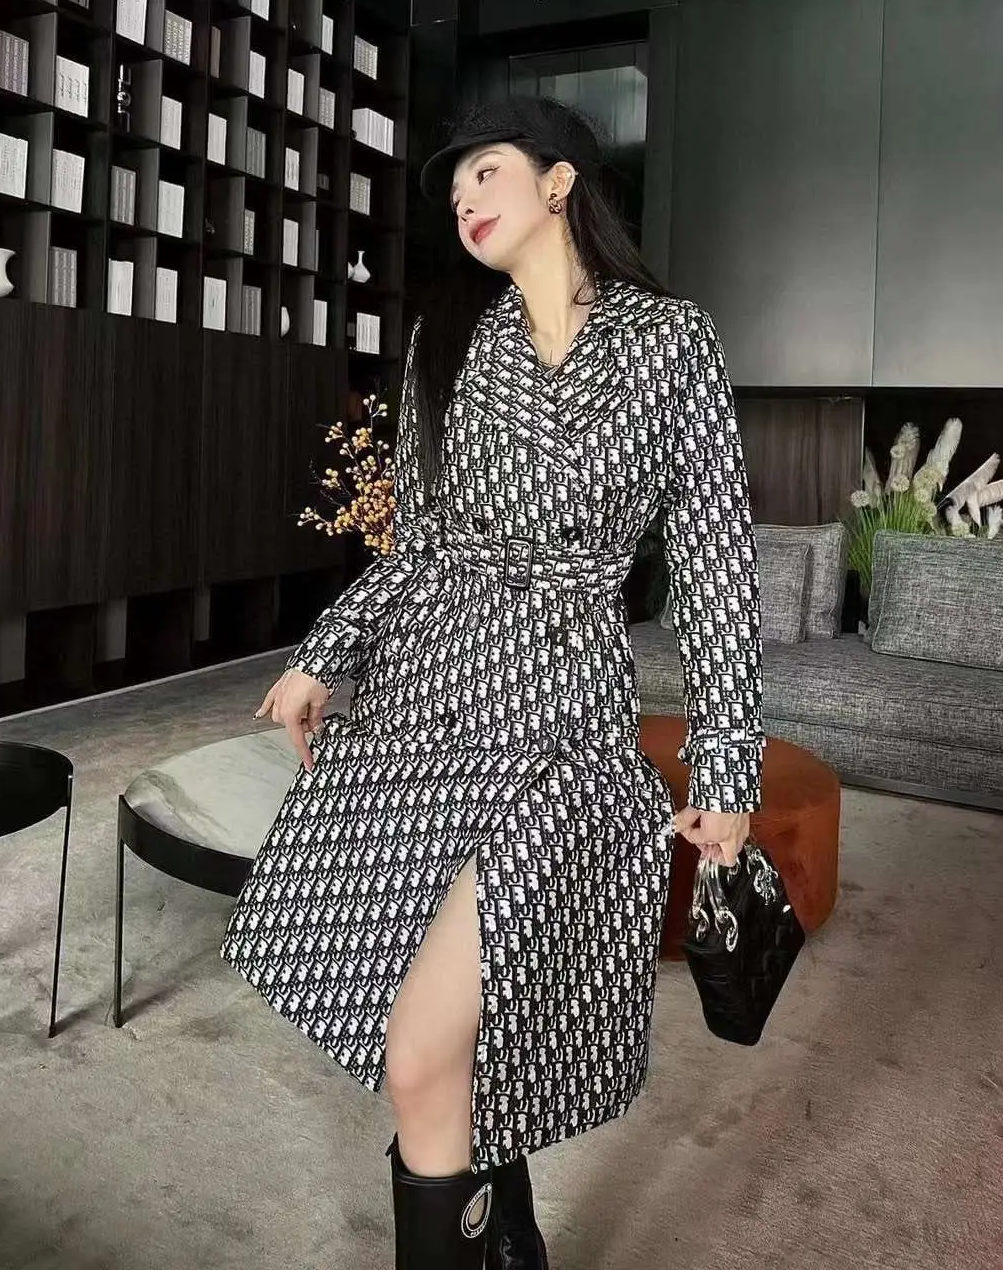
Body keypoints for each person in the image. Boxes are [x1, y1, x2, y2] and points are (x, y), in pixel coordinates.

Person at [221, 95, 765, 1269]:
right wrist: (326, 652)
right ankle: (504, 1237)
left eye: (487, 171)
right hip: (430, 704)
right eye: (455, 185)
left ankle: (495, 1226)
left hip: (569, 727)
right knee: (426, 1015)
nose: (465, 197)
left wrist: (728, 766)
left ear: (560, 181)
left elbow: (718, 564)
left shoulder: (670, 342)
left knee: (426, 1047)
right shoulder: (449, 340)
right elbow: (418, 546)